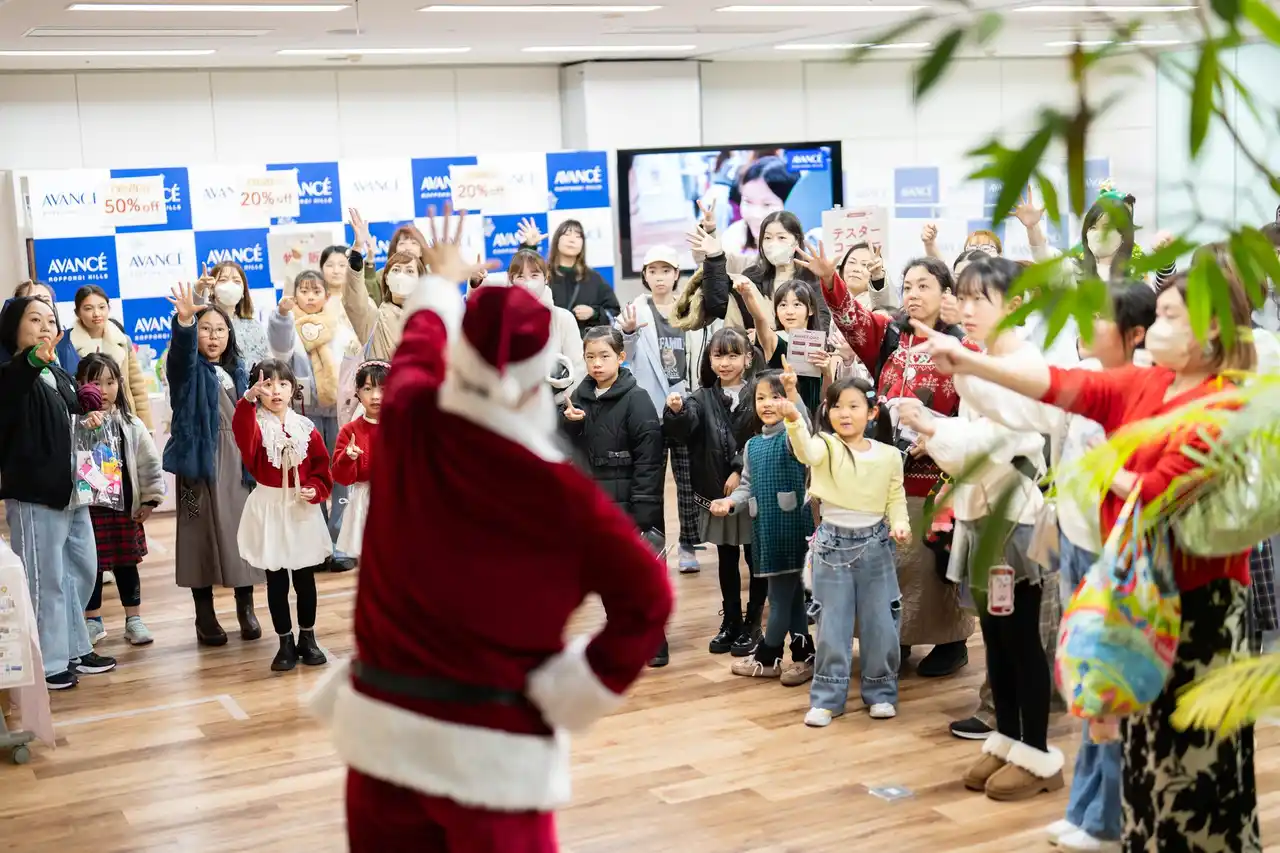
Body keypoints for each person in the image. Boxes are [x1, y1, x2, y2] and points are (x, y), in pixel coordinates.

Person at [309, 206, 672, 853]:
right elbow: (649, 600)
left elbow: (417, 349)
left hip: (383, 745)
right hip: (497, 759)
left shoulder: (408, 419)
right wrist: (571, 691)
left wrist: (439, 281)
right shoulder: (563, 493)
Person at [910, 261, 1260, 851]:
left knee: (1193, 760)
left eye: (1171, 316)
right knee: (1142, 749)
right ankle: (1112, 823)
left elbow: (1159, 494)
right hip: (1135, 587)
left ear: (1211, 330)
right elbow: (1059, 386)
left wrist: (1107, 472)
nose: (1157, 326)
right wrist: (967, 361)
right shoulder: (1148, 384)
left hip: (1198, 604)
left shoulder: (1221, 401)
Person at [955, 281, 1156, 845]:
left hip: (1116, 552)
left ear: (1135, 334)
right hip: (1074, 539)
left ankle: (1104, 813)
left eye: (1099, 317)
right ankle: (1086, 804)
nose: (1085, 325)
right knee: (1085, 679)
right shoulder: (1087, 379)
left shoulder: (1143, 389)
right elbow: (1028, 410)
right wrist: (967, 366)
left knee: (1104, 682)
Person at [898, 257, 1061, 801]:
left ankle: (1036, 753)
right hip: (981, 517)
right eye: (962, 298)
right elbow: (972, 442)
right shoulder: (987, 359)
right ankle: (1008, 739)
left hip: (1014, 522)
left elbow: (994, 443)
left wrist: (930, 425)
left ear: (1013, 305)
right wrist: (938, 425)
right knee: (996, 639)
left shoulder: (1023, 363)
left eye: (978, 300)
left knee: (1021, 642)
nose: (965, 309)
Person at [798, 241, 975, 678]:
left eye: (924, 285)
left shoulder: (964, 345)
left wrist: (941, 435)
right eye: (908, 285)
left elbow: (975, 411)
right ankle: (898, 639)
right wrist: (830, 279)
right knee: (892, 564)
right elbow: (851, 318)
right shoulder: (890, 334)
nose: (913, 293)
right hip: (886, 472)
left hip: (940, 475)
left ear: (946, 293)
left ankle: (952, 642)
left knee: (933, 565)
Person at [0, 296, 116, 689]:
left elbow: (72, 418)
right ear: (14, 328)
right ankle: (48, 662)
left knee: (82, 569)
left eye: (50, 320)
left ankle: (75, 647)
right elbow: (13, 387)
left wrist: (89, 419)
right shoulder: (11, 373)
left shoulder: (58, 373)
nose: (46, 327)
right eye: (35, 320)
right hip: (36, 493)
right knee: (44, 579)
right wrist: (32, 361)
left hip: (73, 489)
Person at [784, 376, 910, 725]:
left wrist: (901, 523)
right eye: (836, 406)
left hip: (876, 546)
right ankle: (827, 699)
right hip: (831, 547)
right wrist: (793, 417)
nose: (844, 413)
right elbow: (805, 451)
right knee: (832, 626)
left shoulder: (889, 455)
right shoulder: (825, 445)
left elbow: (895, 496)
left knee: (880, 624)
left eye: (854, 406)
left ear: (872, 412)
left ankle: (881, 692)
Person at [162, 284, 263, 647]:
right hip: (198, 465)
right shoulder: (186, 371)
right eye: (205, 329)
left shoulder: (238, 371)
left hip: (237, 463)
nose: (214, 336)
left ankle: (245, 607)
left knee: (241, 534)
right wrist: (185, 323)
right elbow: (181, 355)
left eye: (220, 329)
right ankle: (204, 615)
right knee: (197, 536)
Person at [561, 327, 666, 664]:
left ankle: (654, 640)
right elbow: (570, 448)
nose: (596, 363)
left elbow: (650, 459)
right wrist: (571, 425)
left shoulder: (637, 399)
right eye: (590, 356)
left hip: (633, 500)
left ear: (620, 357)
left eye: (604, 356)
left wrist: (644, 509)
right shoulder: (579, 396)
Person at [710, 368, 816, 686]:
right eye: (761, 398)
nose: (768, 404)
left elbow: (803, 425)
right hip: (765, 531)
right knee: (791, 597)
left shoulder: (793, 438)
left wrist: (793, 396)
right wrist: (730, 502)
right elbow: (746, 485)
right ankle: (804, 653)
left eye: (776, 397)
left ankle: (768, 657)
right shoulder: (753, 446)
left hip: (791, 530)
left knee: (779, 598)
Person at [664, 327, 766, 656]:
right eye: (718, 355)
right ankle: (731, 620)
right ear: (709, 359)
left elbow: (762, 435)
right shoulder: (700, 397)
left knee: (755, 557)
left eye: (733, 355)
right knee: (726, 556)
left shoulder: (759, 393)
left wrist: (738, 470)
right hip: (717, 494)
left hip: (752, 491)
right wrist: (676, 412)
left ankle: (753, 623)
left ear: (748, 358)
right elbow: (682, 432)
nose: (725, 363)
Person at [233, 358, 333, 673]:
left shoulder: (306, 427)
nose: (275, 391)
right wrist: (247, 401)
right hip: (269, 509)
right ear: (257, 390)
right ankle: (285, 642)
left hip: (301, 509)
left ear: (293, 389)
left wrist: (315, 488)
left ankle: (308, 638)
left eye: (283, 384)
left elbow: (322, 467)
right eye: (267, 385)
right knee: (276, 579)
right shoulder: (255, 425)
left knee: (304, 577)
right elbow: (243, 439)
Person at [617, 245, 710, 574]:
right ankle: (654, 547)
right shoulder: (633, 310)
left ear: (676, 274)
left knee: (688, 481)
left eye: (666, 270)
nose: (659, 277)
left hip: (685, 407)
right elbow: (623, 356)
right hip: (650, 411)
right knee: (650, 484)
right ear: (645, 275)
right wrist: (628, 333)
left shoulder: (690, 309)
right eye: (653, 271)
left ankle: (688, 544)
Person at [268, 270, 362, 572]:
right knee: (312, 476)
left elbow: (353, 364)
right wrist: (282, 315)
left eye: (316, 291)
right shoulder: (290, 325)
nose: (310, 297)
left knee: (343, 475)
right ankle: (316, 544)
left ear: (326, 294)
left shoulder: (340, 325)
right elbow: (280, 350)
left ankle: (341, 543)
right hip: (304, 415)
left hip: (339, 412)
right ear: (295, 295)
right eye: (304, 291)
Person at [76, 353, 164, 648]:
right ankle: (92, 620)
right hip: (89, 510)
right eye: (94, 382)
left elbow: (149, 464)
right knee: (91, 566)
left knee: (127, 564)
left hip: (124, 509)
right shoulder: (74, 424)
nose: (103, 390)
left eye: (110, 382)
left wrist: (149, 500)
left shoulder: (130, 424)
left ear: (120, 384)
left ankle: (134, 619)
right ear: (79, 385)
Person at [499, 249, 586, 405]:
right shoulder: (500, 320)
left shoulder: (563, 318)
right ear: (511, 280)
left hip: (558, 408)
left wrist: (557, 402)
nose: (528, 283)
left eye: (534, 275)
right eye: (520, 276)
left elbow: (579, 368)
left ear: (546, 278)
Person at [345, 208, 430, 362]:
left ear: (420, 279)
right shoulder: (373, 318)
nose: (402, 276)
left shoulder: (431, 319)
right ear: (386, 279)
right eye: (396, 270)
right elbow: (355, 300)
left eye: (410, 271)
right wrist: (357, 249)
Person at [67, 285, 154, 430]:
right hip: (87, 422)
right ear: (77, 312)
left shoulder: (123, 340)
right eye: (88, 308)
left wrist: (147, 427)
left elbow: (137, 387)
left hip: (123, 418)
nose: (96, 313)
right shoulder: (67, 345)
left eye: (102, 307)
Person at [517, 217, 619, 337]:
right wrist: (529, 247)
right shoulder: (542, 274)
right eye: (566, 234)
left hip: (583, 344)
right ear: (557, 240)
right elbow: (521, 289)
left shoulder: (594, 278)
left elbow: (614, 313)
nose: (572, 240)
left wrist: (594, 313)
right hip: (546, 341)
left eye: (578, 236)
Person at [332, 360, 388, 561]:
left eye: (383, 389)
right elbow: (341, 477)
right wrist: (348, 458)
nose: (375, 396)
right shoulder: (350, 431)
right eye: (367, 389)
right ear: (357, 392)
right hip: (364, 502)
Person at [195, 261, 270, 368]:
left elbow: (264, 364)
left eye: (236, 281)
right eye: (223, 280)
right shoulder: (199, 322)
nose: (230, 285)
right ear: (211, 289)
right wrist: (198, 290)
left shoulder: (254, 327)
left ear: (243, 291)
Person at [0, 280, 79, 372]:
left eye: (46, 300)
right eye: (35, 319)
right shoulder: (7, 353)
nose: (39, 304)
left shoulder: (63, 341)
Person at [838, 242, 901, 315]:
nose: (856, 269)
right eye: (852, 262)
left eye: (865, 264)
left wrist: (878, 277)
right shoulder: (835, 300)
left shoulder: (879, 305)